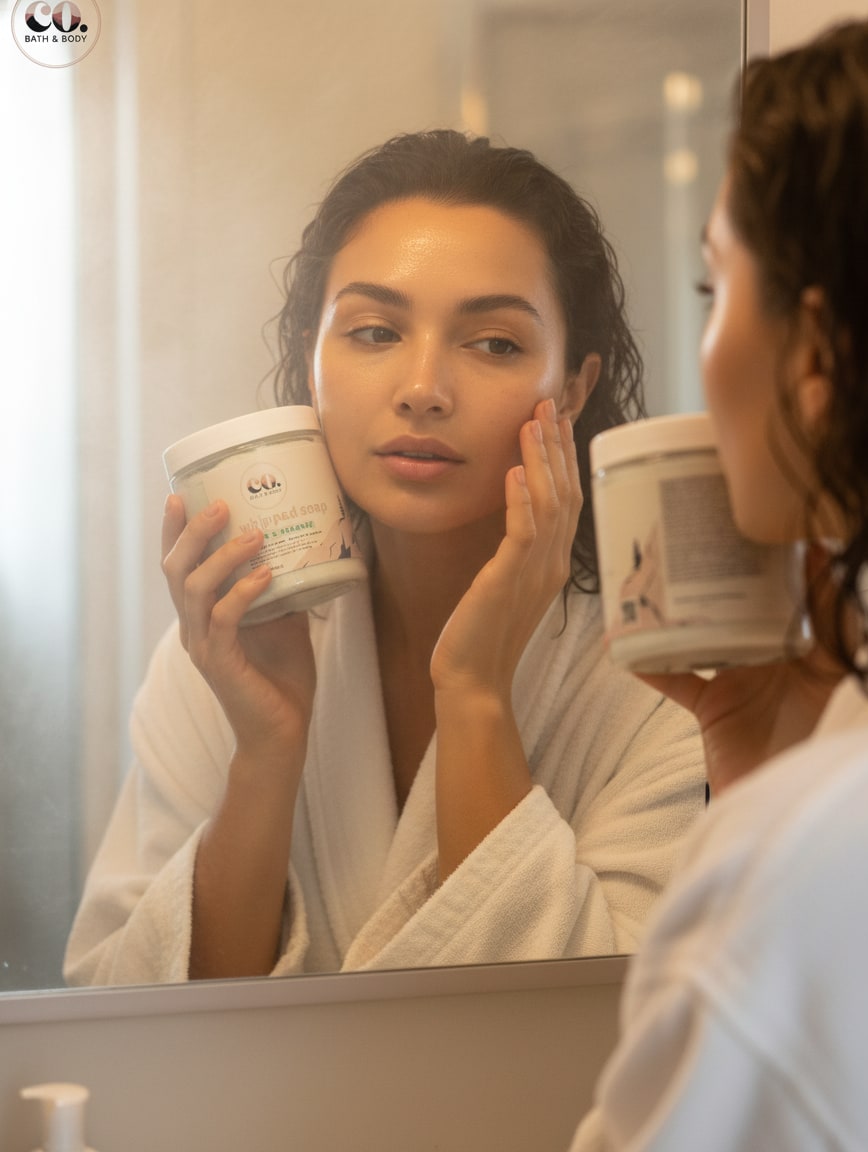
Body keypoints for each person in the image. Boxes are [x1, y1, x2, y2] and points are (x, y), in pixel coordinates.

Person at [64, 130, 705, 986]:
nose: (422, 388)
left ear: (575, 388)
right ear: (309, 357)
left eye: (495, 344)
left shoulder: (666, 678)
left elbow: (603, 1035)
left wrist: (475, 692)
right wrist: (266, 747)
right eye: (373, 332)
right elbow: (142, 1025)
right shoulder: (228, 651)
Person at [568, 7, 868, 1149]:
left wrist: (779, 834)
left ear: (814, 357)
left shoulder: (813, 887)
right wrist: (773, 782)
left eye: (714, 290)